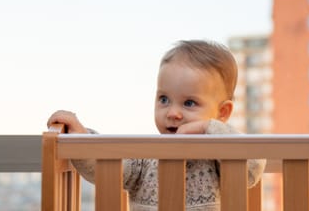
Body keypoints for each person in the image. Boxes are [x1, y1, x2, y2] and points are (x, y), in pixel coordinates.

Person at [47, 39, 266, 211]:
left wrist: (208, 128)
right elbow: (105, 168)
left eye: (189, 103)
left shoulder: (218, 158)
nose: (172, 112)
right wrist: (81, 137)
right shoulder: (145, 157)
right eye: (164, 99)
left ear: (222, 112)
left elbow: (253, 167)